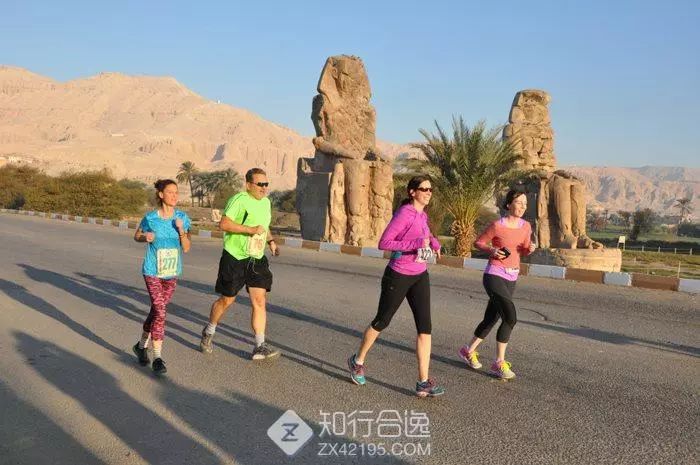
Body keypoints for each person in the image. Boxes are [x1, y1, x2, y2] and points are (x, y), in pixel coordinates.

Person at [347, 175, 445, 397]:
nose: (429, 193)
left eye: (431, 189)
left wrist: (434, 242)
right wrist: (416, 243)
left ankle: (423, 382)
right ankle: (357, 361)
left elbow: (426, 233)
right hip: (398, 275)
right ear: (412, 192)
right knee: (382, 321)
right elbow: (384, 243)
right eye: (424, 189)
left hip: (420, 274)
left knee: (425, 327)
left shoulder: (422, 215)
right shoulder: (404, 213)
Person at [199, 168, 281, 360]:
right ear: (249, 185)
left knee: (259, 301)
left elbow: (264, 226)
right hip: (235, 257)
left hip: (256, 258)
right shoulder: (239, 200)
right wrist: (250, 230)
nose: (264, 188)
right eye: (260, 184)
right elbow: (224, 224)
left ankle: (260, 345)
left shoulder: (266, 203)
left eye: (266, 184)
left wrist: (271, 241)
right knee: (227, 300)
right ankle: (209, 330)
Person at [458, 189, 536, 380]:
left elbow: (524, 250)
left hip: (512, 276)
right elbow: (479, 243)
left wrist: (530, 248)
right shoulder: (497, 226)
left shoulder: (526, 226)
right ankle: (499, 363)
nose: (523, 206)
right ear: (509, 204)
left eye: (525, 203)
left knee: (492, 318)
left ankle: (468, 350)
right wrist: (492, 250)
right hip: (494, 274)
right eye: (519, 202)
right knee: (510, 317)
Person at [132, 179, 191, 375]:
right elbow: (136, 236)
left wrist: (181, 230)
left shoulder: (182, 218)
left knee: (157, 311)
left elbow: (186, 247)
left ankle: (141, 346)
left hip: (171, 273)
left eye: (176, 192)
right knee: (161, 311)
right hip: (152, 271)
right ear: (161, 194)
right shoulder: (151, 218)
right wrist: (144, 237)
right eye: (170, 192)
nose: (174, 196)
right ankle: (157, 357)